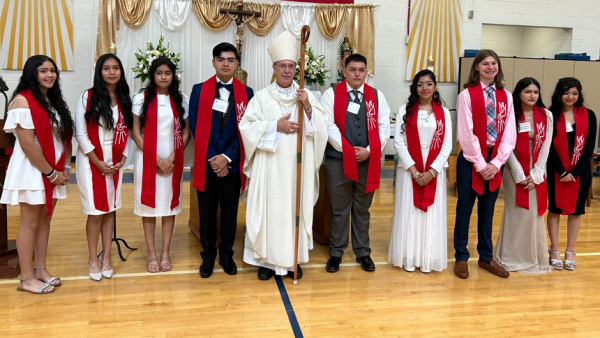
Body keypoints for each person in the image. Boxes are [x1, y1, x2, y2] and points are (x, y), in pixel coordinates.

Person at [239, 30, 329, 280]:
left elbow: (321, 128)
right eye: (282, 66)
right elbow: (246, 127)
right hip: (270, 167)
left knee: (294, 211)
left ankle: (293, 260)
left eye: (291, 66)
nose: (287, 70)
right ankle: (267, 262)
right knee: (270, 211)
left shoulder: (307, 96)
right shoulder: (261, 97)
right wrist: (274, 126)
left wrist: (308, 107)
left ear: (296, 67)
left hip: (297, 167)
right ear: (274, 67)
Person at [0, 55, 74, 294]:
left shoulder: (51, 100)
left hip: (53, 169)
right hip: (33, 171)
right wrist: (51, 173)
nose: (50, 75)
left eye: (53, 70)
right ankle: (26, 277)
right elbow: (28, 144)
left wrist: (65, 168)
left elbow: (63, 136)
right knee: (30, 222)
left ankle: (41, 269)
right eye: (43, 71)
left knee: (45, 220)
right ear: (32, 73)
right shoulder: (22, 101)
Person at [189, 42, 254, 278]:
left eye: (230, 60)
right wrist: (212, 160)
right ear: (214, 61)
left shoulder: (247, 93)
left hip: (232, 166)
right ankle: (207, 257)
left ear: (237, 63)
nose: (225, 63)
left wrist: (226, 158)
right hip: (208, 166)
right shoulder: (198, 90)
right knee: (206, 214)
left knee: (229, 213)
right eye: (221, 59)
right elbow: (196, 128)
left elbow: (247, 129)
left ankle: (226, 255)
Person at [321, 53, 390, 273]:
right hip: (338, 160)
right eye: (353, 70)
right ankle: (336, 252)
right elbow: (328, 125)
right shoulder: (331, 94)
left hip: (366, 161)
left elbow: (383, 127)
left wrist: (369, 151)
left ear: (366, 72)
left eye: (361, 70)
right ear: (345, 71)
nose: (357, 74)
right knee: (339, 208)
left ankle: (363, 252)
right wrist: (349, 151)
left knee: (362, 208)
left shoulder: (376, 96)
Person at [453, 49, 516, 279]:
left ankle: (486, 257)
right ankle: (461, 256)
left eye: (494, 63)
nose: (490, 67)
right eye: (485, 64)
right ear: (477, 67)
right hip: (471, 160)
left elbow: (510, 133)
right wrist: (481, 164)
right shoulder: (466, 95)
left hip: (495, 159)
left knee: (488, 211)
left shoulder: (506, 96)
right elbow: (466, 134)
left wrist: (497, 162)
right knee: (464, 210)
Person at [75, 54, 133, 281]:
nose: (111, 72)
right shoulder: (87, 97)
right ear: (99, 72)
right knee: (95, 212)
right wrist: (97, 161)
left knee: (110, 210)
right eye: (106, 68)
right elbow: (80, 132)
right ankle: (93, 258)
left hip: (115, 160)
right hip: (91, 160)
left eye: (116, 68)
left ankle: (107, 257)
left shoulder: (124, 98)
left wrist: (124, 158)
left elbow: (128, 131)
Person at [388, 69, 452, 273]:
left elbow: (447, 145)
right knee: (410, 213)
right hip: (410, 173)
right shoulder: (404, 111)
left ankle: (428, 257)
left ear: (435, 87)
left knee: (430, 215)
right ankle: (409, 256)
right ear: (415, 87)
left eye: (429, 83)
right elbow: (399, 142)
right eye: (420, 84)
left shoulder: (444, 113)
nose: (425, 88)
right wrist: (415, 172)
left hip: (434, 173)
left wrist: (432, 172)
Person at [131, 57, 191, 273]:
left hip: (173, 159)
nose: (163, 77)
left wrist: (171, 159)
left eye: (167, 73)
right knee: (149, 208)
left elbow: (186, 132)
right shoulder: (141, 98)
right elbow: (135, 132)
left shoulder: (181, 99)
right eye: (159, 73)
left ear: (173, 75)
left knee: (168, 207)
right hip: (147, 159)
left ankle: (165, 252)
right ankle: (151, 254)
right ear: (152, 75)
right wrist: (157, 159)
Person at [495, 77, 553, 274]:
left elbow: (546, 145)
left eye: (535, 92)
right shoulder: (510, 114)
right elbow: (506, 145)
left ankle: (533, 257)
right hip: (514, 169)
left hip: (537, 168)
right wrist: (519, 173)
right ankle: (510, 256)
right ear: (519, 93)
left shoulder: (547, 115)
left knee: (534, 213)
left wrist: (536, 174)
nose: (532, 95)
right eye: (528, 92)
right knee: (516, 210)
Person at [546, 77, 597, 271]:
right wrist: (562, 170)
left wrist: (574, 172)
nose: (570, 96)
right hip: (556, 170)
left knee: (576, 210)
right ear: (559, 94)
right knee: (555, 209)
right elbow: (547, 145)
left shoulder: (589, 115)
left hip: (580, 171)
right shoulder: (551, 114)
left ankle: (570, 250)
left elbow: (589, 146)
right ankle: (555, 250)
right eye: (566, 92)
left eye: (574, 93)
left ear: (579, 94)